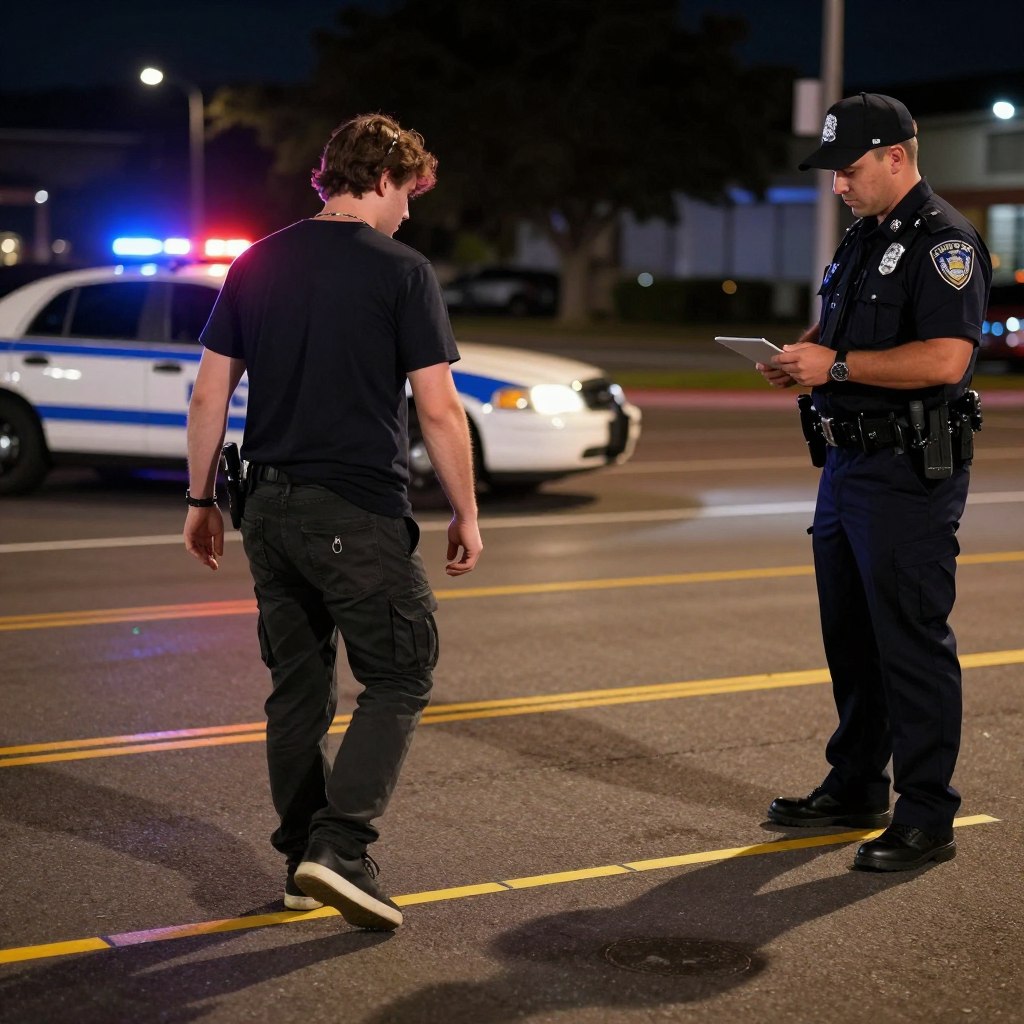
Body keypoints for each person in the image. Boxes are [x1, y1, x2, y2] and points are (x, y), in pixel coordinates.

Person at [183, 113, 482, 929]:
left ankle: (299, 861)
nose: (409, 213)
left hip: (266, 510)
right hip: (355, 508)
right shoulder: (401, 270)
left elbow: (210, 393)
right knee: (399, 673)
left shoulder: (256, 261)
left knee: (298, 688)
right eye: (408, 194)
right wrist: (466, 512)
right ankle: (341, 848)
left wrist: (200, 500)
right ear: (382, 179)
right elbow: (440, 411)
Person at [757, 93, 991, 871]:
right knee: (851, 638)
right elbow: (839, 328)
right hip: (848, 466)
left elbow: (946, 359)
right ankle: (857, 783)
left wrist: (841, 367)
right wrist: (802, 355)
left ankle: (927, 814)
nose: (838, 187)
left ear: (897, 155)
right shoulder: (864, 238)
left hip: (907, 475)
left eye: (848, 170)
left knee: (912, 642)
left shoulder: (944, 241)